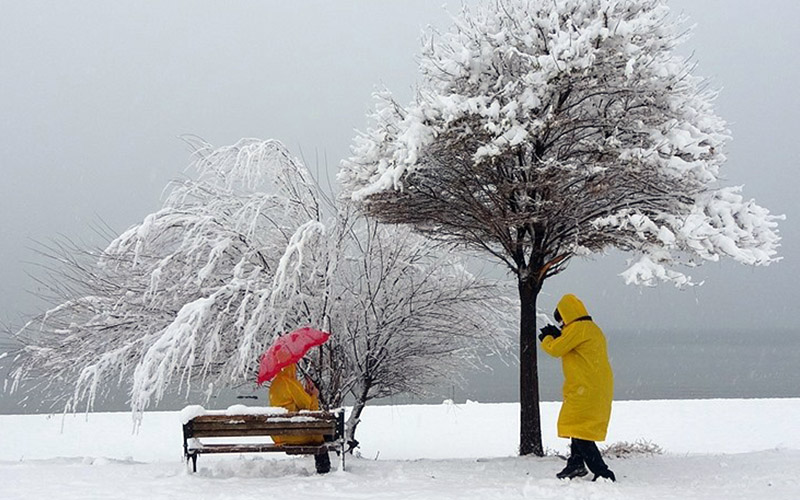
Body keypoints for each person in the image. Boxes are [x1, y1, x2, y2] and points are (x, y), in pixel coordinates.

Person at [539, 293, 616, 482]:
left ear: (566, 315)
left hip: (586, 388)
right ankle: (575, 465)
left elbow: (556, 349)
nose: (561, 325)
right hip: (593, 386)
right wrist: (560, 336)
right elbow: (571, 345)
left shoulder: (578, 328)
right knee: (578, 426)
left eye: (561, 321)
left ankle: (603, 472)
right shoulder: (590, 328)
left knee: (580, 429)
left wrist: (548, 338)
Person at [269, 363, 331, 473]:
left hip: (280, 435)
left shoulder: (274, 385)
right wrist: (313, 395)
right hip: (295, 434)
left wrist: (307, 395)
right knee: (320, 433)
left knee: (321, 432)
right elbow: (307, 407)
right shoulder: (289, 382)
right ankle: (323, 468)